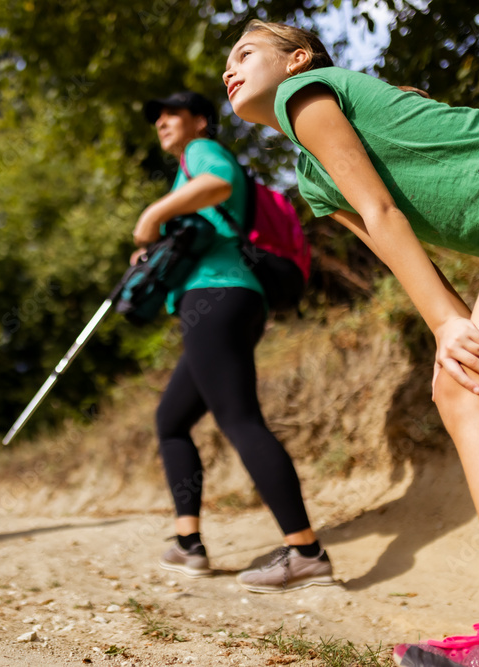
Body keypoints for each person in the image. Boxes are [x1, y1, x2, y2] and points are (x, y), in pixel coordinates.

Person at [223, 19, 479, 667]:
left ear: (296, 60)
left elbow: (385, 212)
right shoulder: (313, 182)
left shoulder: (305, 94)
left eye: (245, 52)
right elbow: (391, 240)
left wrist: (454, 327)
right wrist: (445, 318)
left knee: (466, 388)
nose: (229, 70)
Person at [134, 90, 334, 592]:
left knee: (240, 419)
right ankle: (188, 544)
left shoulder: (201, 153)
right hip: (227, 300)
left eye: (170, 113)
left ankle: (306, 551)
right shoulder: (188, 171)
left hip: (218, 298)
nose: (160, 121)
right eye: (155, 117)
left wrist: (151, 216)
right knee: (172, 420)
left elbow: (219, 183)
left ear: (200, 121)